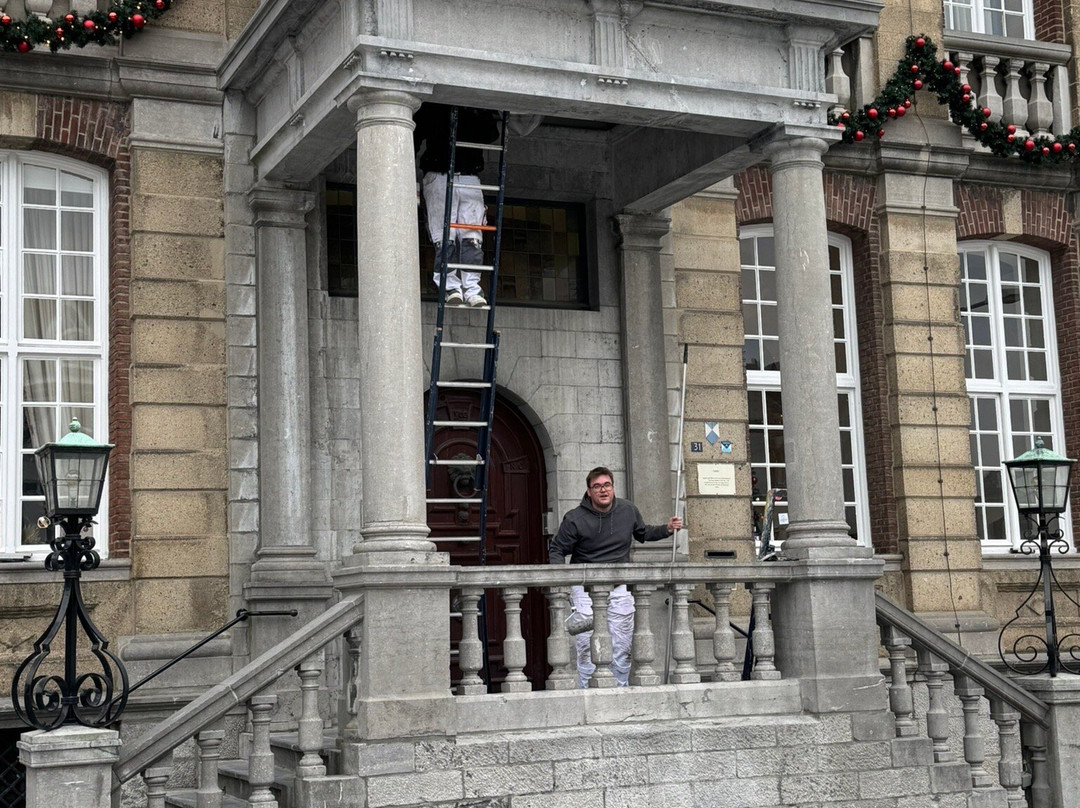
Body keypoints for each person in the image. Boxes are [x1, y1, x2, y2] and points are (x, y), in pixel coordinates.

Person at [548, 467, 682, 688]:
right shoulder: (574, 519)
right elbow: (557, 550)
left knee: (622, 647)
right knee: (587, 647)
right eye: (597, 486)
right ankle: (587, 691)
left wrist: (667, 529)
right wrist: (560, 581)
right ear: (589, 491)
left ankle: (619, 690)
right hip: (585, 591)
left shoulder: (628, 510)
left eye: (607, 485)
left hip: (620, 588)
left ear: (613, 487)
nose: (603, 490)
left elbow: (643, 533)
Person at [413, 103, 500, 307]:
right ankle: (449, 286)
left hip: (469, 174)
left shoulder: (474, 107)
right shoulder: (433, 106)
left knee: (472, 236)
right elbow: (415, 135)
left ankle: (472, 289)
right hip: (439, 173)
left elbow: (491, 134)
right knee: (444, 236)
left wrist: (479, 113)